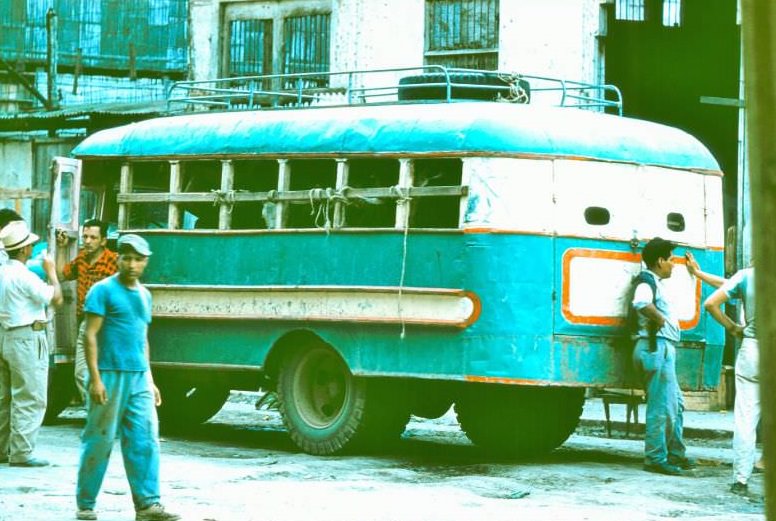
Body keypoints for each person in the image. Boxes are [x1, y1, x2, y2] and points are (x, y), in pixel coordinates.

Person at [75, 234, 179, 521]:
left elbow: (142, 339)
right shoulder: (102, 290)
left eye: (138, 259)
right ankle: (85, 504)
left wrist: (150, 378)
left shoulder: (145, 294)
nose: (132, 264)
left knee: (145, 439)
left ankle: (148, 505)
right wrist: (95, 379)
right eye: (127, 258)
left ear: (146, 262)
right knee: (100, 439)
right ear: (117, 258)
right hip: (108, 375)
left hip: (139, 378)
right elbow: (90, 335)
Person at [0, 220, 63, 466]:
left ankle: (2, 447)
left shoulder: (3, 272)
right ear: (25, 249)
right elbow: (54, 298)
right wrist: (52, 273)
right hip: (26, 337)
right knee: (31, 395)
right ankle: (22, 452)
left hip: (4, 334)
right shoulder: (24, 276)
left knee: (4, 397)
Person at [632, 237, 694, 475]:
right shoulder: (647, 281)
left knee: (675, 404)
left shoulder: (655, 281)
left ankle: (675, 453)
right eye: (670, 260)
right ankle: (656, 458)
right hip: (655, 346)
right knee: (662, 406)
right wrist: (659, 319)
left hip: (661, 347)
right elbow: (640, 302)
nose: (673, 264)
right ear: (659, 261)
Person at [704, 265, 758, 496]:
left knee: (746, 420)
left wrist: (733, 328)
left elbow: (710, 304)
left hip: (754, 350)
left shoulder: (747, 275)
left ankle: (741, 480)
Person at [56, 219, 118, 401]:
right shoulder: (82, 258)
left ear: (103, 240)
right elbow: (63, 273)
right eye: (85, 237)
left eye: (93, 237)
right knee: (82, 372)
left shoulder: (113, 260)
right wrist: (61, 248)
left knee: (107, 371)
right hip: (86, 322)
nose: (88, 241)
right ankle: (97, 411)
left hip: (108, 322)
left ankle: (108, 414)